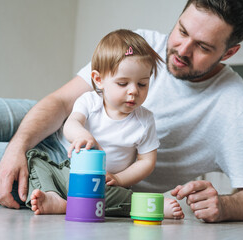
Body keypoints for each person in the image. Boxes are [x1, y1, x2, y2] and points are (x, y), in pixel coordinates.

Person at [0, 0, 243, 223]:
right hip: (51, 123)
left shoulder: (233, 105)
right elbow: (63, 102)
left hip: (72, 175)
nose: (181, 49)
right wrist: (16, 147)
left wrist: (224, 206)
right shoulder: (140, 44)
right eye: (182, 31)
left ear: (229, 52)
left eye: (202, 47)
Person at [27, 29, 184, 219]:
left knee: (113, 195)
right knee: (34, 160)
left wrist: (119, 179)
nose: (133, 91)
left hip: (104, 183)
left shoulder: (144, 120)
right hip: (69, 172)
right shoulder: (90, 102)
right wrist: (82, 135)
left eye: (142, 84)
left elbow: (146, 162)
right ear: (99, 80)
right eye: (123, 83)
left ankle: (147, 206)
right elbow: (72, 123)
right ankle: (52, 196)